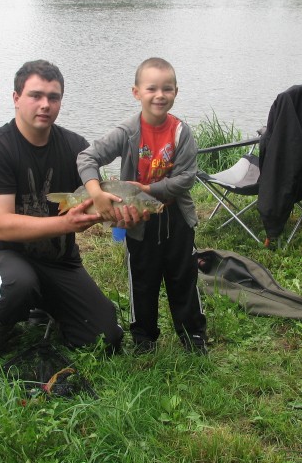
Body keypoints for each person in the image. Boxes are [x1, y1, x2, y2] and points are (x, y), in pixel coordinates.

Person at [0, 59, 140, 368]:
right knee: (15, 284)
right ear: (16, 98)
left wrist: (112, 213)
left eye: (54, 97)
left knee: (106, 338)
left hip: (59, 260)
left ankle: (41, 306)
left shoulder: (76, 148)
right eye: (36, 95)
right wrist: (64, 223)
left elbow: (89, 211)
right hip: (1, 254)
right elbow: (1, 227)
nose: (45, 104)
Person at [77, 57, 207, 354]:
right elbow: (87, 158)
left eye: (167, 88)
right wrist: (95, 192)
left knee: (183, 277)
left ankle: (193, 335)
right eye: (151, 89)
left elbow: (187, 178)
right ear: (136, 92)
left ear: (176, 91)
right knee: (143, 278)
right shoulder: (127, 131)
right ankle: (144, 338)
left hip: (176, 217)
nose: (159, 95)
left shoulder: (181, 133)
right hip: (138, 220)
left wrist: (149, 188)